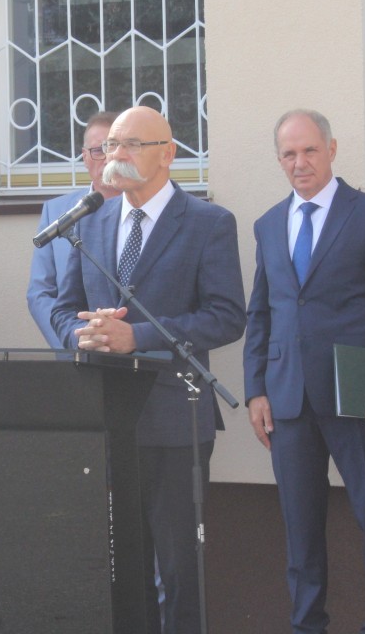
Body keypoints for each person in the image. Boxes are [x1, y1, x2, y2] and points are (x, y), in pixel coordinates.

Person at [49, 106, 246, 634]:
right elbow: (64, 308)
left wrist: (139, 337)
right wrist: (80, 334)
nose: (116, 155)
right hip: (108, 419)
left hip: (174, 420)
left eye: (132, 144)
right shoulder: (90, 220)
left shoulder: (207, 222)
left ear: (168, 153)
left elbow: (227, 317)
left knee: (179, 569)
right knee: (121, 570)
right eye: (111, 145)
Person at [243, 110, 365, 634]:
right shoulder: (268, 224)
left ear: (332, 149)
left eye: (310, 150)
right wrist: (255, 391)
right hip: (287, 397)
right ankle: (307, 626)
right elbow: (262, 313)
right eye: (289, 154)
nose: (300, 162)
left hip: (359, 393)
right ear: (279, 159)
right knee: (300, 530)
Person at [27, 111, 120, 347]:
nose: (107, 159)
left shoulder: (143, 210)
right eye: (98, 151)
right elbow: (41, 293)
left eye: (112, 148)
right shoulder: (56, 211)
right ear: (85, 157)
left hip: (135, 349)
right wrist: (73, 338)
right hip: (76, 348)